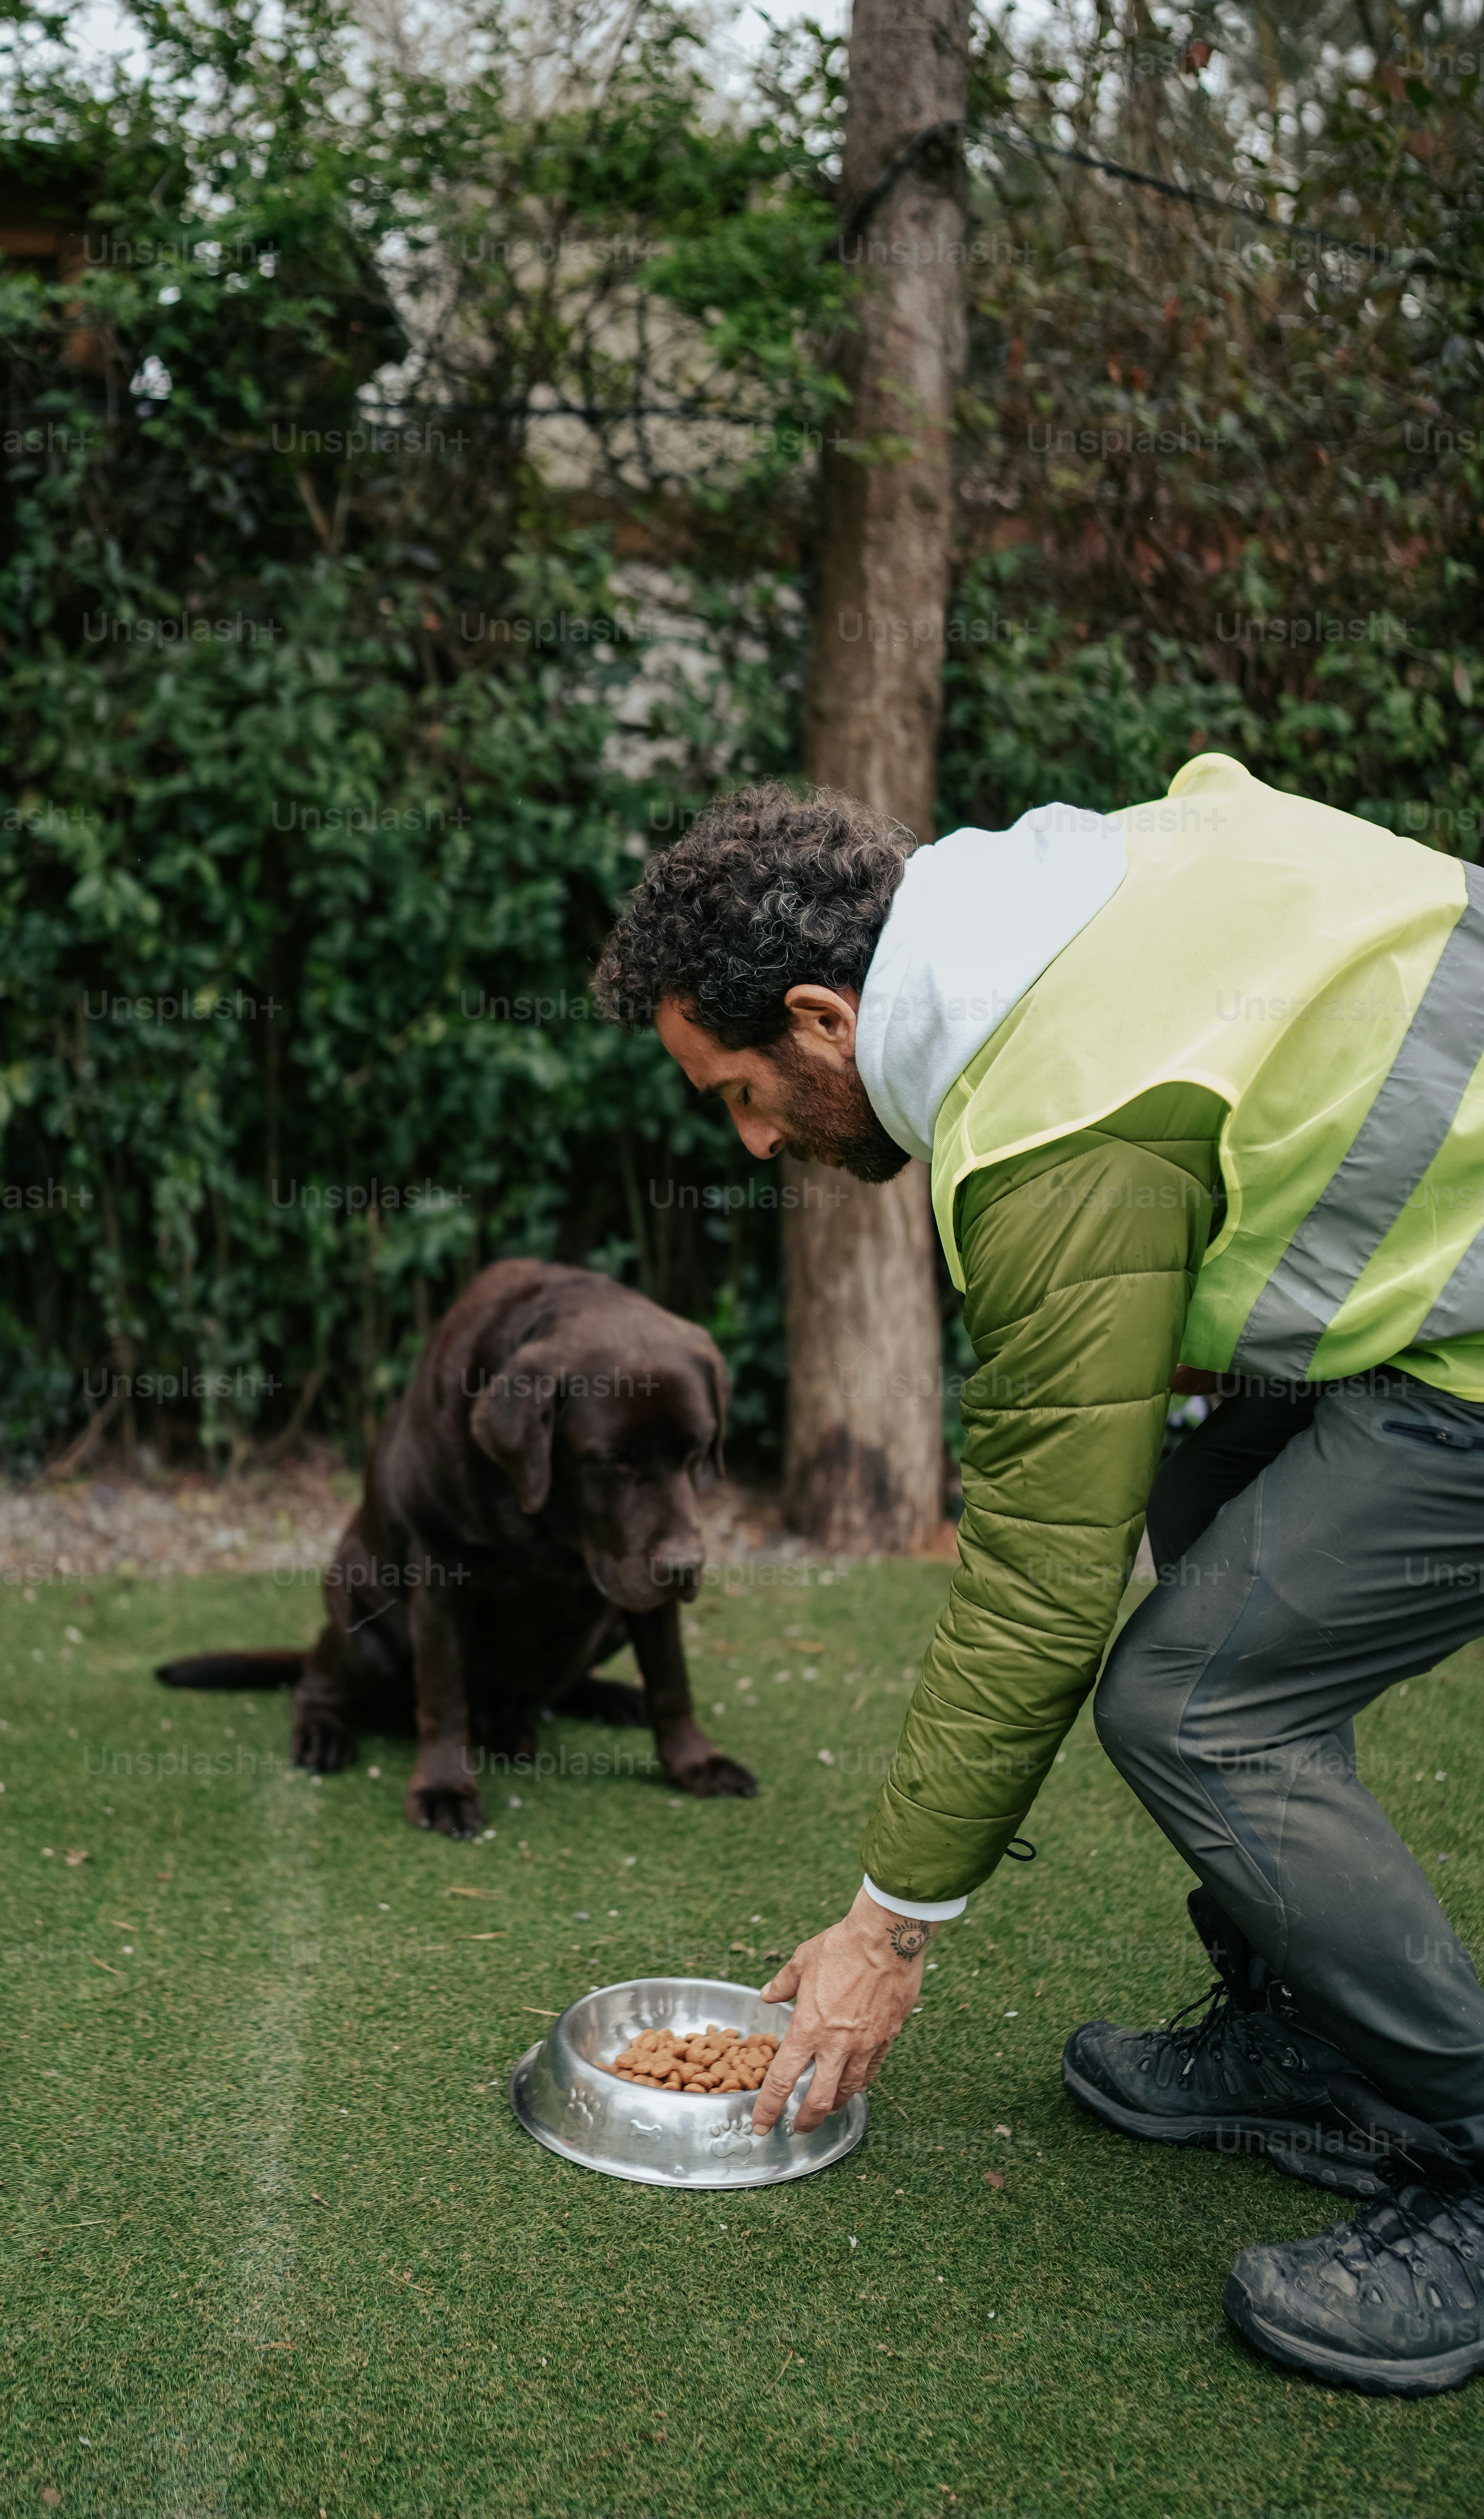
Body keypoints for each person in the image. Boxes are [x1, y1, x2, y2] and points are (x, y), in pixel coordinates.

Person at [594, 754, 1484, 2398]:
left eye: (738, 1092)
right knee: (1215, 1534)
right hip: (1428, 1301)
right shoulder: (1032, 908)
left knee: (1195, 1705)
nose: (753, 1138)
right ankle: (1314, 2039)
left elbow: (1038, 1583)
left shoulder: (1046, 1118)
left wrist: (887, 1931)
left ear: (822, 1020)